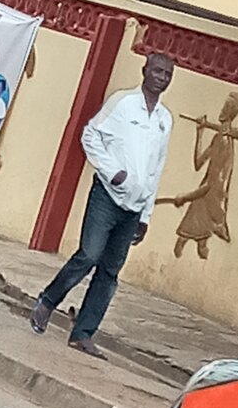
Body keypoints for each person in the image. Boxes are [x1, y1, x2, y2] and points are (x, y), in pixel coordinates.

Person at [30, 53, 175, 358]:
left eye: (167, 74)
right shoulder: (123, 103)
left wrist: (146, 214)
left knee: (110, 271)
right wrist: (113, 172)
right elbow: (90, 135)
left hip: (134, 208)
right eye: (158, 70)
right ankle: (48, 301)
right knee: (90, 255)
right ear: (145, 71)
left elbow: (156, 168)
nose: (162, 77)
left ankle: (82, 334)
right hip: (107, 196)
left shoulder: (164, 120)